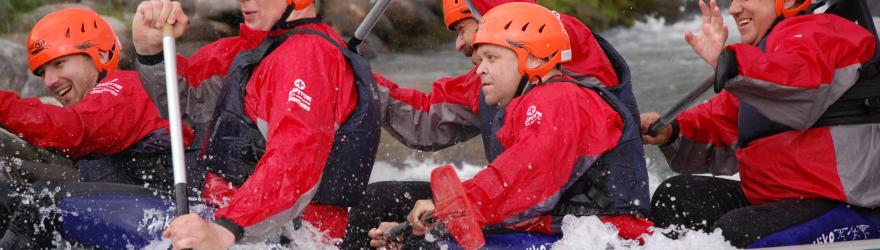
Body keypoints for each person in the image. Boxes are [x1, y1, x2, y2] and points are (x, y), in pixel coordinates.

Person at [341, 0, 645, 247]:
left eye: (488, 55)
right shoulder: (514, 84)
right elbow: (425, 115)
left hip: (603, 236)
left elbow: (528, 178)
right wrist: (353, 81)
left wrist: (448, 209)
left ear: (535, 59)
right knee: (381, 206)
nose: (469, 55)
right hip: (542, 221)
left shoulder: (562, 96)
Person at [131, 0, 381, 248]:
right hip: (227, 218)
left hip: (287, 236)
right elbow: (183, 101)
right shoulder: (254, 48)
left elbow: (294, 161)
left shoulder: (308, 57)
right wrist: (150, 49)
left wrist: (225, 230)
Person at [641, 0, 880, 247]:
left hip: (849, 208)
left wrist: (732, 64)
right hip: (776, 203)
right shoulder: (762, 60)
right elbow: (721, 123)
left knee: (736, 232)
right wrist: (672, 130)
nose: (733, 9)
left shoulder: (827, 31)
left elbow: (798, 80)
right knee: (675, 198)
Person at [0, 7, 205, 249]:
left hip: (177, 222)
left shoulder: (124, 88)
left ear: (103, 56)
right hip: (147, 216)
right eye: (43, 73)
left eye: (60, 63)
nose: (50, 81)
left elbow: (72, 130)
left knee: (44, 199)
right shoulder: (100, 112)